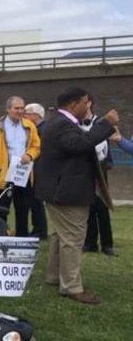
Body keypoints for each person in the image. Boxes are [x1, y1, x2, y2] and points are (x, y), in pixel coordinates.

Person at [35, 87, 118, 305]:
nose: (88, 106)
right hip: (67, 193)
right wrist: (106, 124)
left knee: (60, 235)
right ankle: (71, 286)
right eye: (85, 103)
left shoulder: (59, 123)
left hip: (59, 190)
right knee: (72, 238)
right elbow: (79, 145)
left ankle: (55, 276)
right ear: (73, 104)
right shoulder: (63, 124)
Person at [0, 96, 40, 236]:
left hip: (23, 175)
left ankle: (22, 238)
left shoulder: (29, 126)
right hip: (4, 176)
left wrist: (30, 155)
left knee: (23, 209)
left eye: (22, 108)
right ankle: (1, 236)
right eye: (16, 108)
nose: (20, 111)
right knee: (2, 209)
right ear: (8, 109)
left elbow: (36, 146)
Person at [79, 95, 116, 256]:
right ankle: (90, 242)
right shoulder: (75, 124)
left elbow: (106, 143)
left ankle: (107, 244)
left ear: (90, 104)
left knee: (102, 206)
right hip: (83, 167)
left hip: (99, 167)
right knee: (88, 206)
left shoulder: (100, 122)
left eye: (85, 102)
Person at [24, 103, 48, 239]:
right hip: (36, 169)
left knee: (36, 201)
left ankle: (40, 229)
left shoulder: (41, 130)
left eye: (27, 113)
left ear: (35, 115)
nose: (24, 116)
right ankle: (38, 227)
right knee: (34, 201)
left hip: (39, 170)